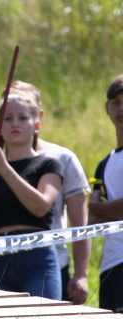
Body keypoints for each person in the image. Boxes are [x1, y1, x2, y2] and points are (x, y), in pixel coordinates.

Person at [0, 93, 63, 299]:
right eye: (7, 119)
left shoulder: (48, 165)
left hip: (37, 256)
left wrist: (4, 168)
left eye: (22, 118)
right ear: (0, 128)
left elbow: (41, 206)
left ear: (36, 124)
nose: (15, 124)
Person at [11, 80, 90, 304]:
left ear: (38, 116)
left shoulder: (62, 158)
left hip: (51, 263)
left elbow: (79, 221)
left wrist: (81, 274)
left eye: (25, 109)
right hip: (2, 263)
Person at [90, 75, 123, 313]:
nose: (121, 108)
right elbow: (92, 219)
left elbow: (94, 207)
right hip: (109, 265)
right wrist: (99, 210)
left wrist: (98, 207)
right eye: (116, 102)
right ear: (107, 108)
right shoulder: (104, 164)